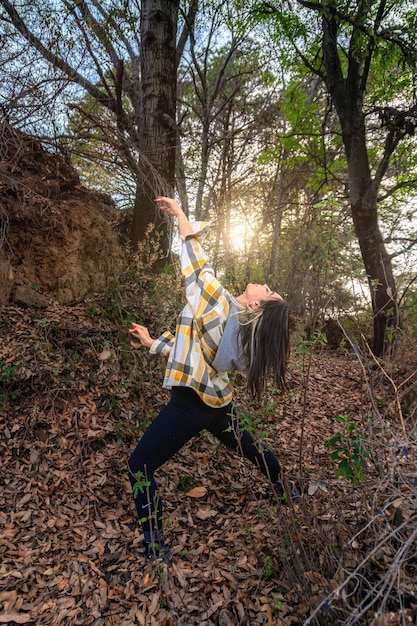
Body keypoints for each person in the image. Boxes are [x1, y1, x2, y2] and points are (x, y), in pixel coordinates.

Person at [128, 196, 299, 563]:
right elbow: (191, 350)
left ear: (255, 306)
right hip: (218, 402)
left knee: (139, 465)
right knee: (251, 448)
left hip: (189, 405)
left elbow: (194, 259)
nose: (264, 285)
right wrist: (152, 342)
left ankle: (154, 546)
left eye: (268, 292)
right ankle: (288, 489)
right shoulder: (238, 332)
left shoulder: (220, 303)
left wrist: (181, 215)